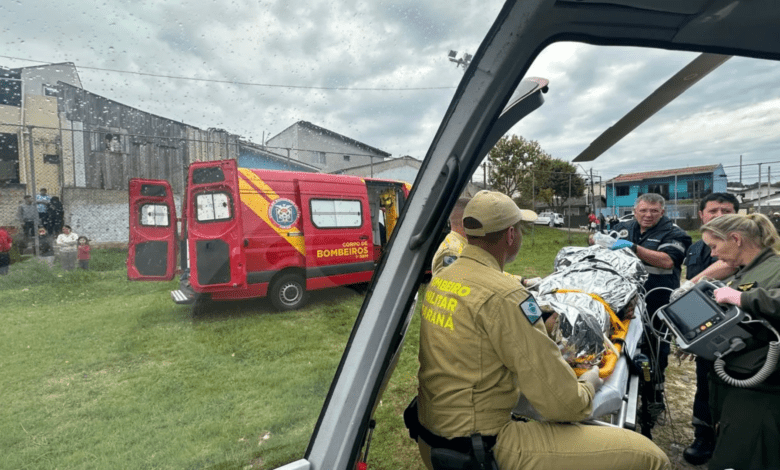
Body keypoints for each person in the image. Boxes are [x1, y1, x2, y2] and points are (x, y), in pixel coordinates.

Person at [416, 190, 670, 470]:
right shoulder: (507, 297)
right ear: (511, 235)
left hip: (432, 432)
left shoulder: (445, 277)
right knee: (650, 457)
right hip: (481, 443)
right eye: (521, 230)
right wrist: (590, 383)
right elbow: (562, 403)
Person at [591, 193, 692, 437]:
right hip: (623, 304)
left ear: (662, 212)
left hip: (656, 303)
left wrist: (633, 248)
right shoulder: (623, 226)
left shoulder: (675, 233)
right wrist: (597, 239)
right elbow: (598, 242)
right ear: (635, 210)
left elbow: (668, 261)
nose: (648, 215)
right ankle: (617, 393)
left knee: (654, 356)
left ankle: (652, 401)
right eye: (644, 210)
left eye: (654, 211)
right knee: (618, 350)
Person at [699, 213, 780, 470]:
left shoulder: (774, 268)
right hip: (739, 380)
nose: (712, 254)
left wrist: (741, 298)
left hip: (762, 389)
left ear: (735, 239)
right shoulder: (745, 272)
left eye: (714, 246)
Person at [677, 193, 739, 465]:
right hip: (704, 320)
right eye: (712, 210)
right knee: (704, 382)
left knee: (730, 385)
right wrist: (693, 335)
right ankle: (703, 435)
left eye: (726, 209)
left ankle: (730, 439)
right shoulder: (696, 247)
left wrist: (690, 284)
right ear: (702, 215)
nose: (719, 214)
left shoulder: (741, 243)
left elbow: (729, 264)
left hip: (733, 328)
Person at [431, 196, 541, 289]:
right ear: (467, 220)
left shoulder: (466, 245)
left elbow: (486, 272)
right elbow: (464, 287)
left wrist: (522, 281)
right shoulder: (452, 251)